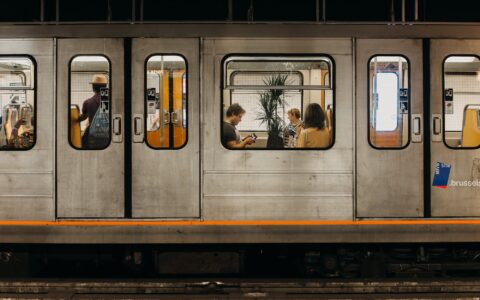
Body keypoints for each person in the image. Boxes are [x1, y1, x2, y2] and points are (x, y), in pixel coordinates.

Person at [75, 74, 107, 148]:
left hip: (93, 136)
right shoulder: (109, 100)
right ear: (105, 86)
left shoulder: (88, 102)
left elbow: (83, 117)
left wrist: (74, 116)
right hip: (107, 135)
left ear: (93, 87)